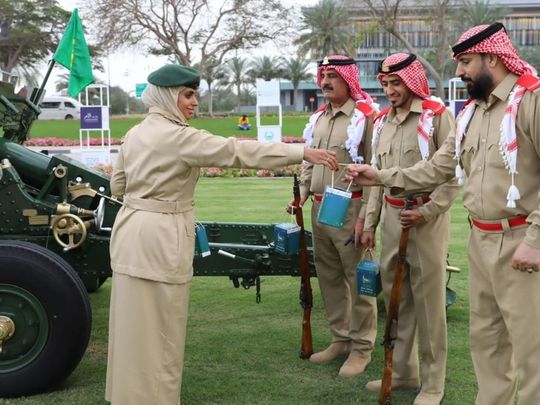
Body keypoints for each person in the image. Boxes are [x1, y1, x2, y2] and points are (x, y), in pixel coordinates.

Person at [105, 63, 338, 405]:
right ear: (168, 96)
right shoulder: (178, 137)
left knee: (131, 329)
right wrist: (301, 152)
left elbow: (118, 184)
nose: (194, 102)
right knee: (162, 332)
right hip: (162, 237)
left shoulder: (135, 133)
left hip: (130, 233)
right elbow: (238, 151)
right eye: (187, 94)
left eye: (195, 94)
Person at [345, 23, 540, 405]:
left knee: (532, 351)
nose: (459, 72)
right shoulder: (471, 113)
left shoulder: (531, 102)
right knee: (487, 343)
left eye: (466, 62)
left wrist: (535, 241)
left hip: (523, 243)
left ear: (493, 57)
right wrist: (380, 176)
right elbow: (436, 169)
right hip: (479, 239)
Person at [362, 53, 458, 405]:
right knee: (396, 298)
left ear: (412, 81)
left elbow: (452, 174)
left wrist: (429, 211)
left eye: (396, 83)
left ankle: (433, 384)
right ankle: (403, 372)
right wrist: (369, 222)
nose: (389, 90)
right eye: (385, 84)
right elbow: (377, 176)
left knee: (430, 305)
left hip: (424, 221)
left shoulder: (437, 117)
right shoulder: (383, 121)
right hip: (391, 217)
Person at [288, 55, 378, 378]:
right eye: (323, 75)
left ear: (348, 79)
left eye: (332, 76)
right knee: (328, 277)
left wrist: (365, 218)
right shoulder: (318, 119)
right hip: (320, 209)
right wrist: (300, 195)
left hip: (351, 208)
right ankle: (340, 339)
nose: (325, 82)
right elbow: (309, 163)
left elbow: (374, 171)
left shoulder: (364, 117)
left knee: (358, 282)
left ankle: (361, 347)